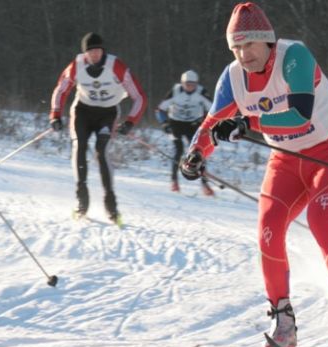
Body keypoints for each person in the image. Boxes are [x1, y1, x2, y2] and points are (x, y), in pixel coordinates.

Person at [180, 2, 328, 347]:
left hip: (327, 152)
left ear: (268, 41)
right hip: (285, 160)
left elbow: (300, 116)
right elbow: (212, 123)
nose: (243, 54)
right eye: (236, 48)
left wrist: (247, 123)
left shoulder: (293, 57)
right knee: (268, 230)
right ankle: (283, 320)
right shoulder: (233, 76)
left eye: (249, 45)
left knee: (321, 221)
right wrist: (195, 154)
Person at [49, 32, 146, 224]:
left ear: (103, 51)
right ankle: (81, 200)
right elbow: (61, 89)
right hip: (82, 111)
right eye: (91, 51)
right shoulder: (76, 66)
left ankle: (111, 205)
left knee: (102, 152)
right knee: (80, 147)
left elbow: (139, 96)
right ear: (85, 53)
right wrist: (56, 114)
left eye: (98, 50)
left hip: (107, 114)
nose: (95, 54)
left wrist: (130, 122)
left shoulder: (116, 66)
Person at [155, 69, 215, 195]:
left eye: (193, 84)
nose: (190, 87)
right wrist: (165, 124)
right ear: (182, 83)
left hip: (193, 124)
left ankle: (204, 184)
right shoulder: (175, 91)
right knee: (179, 149)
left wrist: (206, 123)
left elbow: (214, 110)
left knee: (198, 152)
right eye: (187, 84)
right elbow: (159, 110)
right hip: (175, 123)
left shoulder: (201, 92)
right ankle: (174, 182)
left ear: (197, 84)